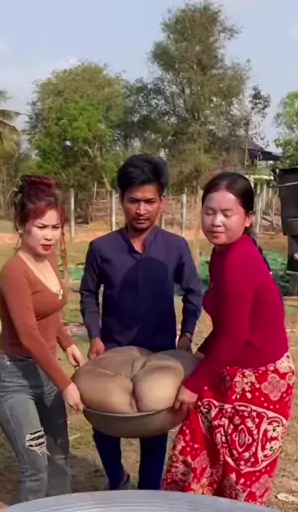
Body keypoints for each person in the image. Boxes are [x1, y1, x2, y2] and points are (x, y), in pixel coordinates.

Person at [163, 172, 295, 505]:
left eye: (227, 213)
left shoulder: (239, 259)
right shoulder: (222, 254)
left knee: (240, 481)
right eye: (209, 212)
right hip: (229, 369)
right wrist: (200, 357)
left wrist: (194, 384)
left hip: (260, 382)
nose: (216, 221)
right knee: (194, 455)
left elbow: (235, 335)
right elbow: (226, 327)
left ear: (248, 218)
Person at [80, 154, 203, 491]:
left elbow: (194, 291)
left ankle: (149, 493)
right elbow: (88, 294)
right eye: (133, 201)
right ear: (121, 199)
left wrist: (186, 335)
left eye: (149, 201)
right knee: (104, 423)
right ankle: (116, 479)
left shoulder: (175, 247)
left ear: (162, 201)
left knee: (155, 427)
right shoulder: (101, 248)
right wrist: (95, 336)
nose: (141, 210)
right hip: (113, 351)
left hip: (161, 351)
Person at [0, 175, 86, 503]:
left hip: (45, 372)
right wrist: (65, 383)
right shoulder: (14, 272)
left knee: (59, 457)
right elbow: (28, 333)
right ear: (21, 224)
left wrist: (67, 343)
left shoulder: (49, 260)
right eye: (41, 226)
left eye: (56, 227)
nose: (49, 235)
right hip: (13, 378)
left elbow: (49, 311)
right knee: (36, 465)